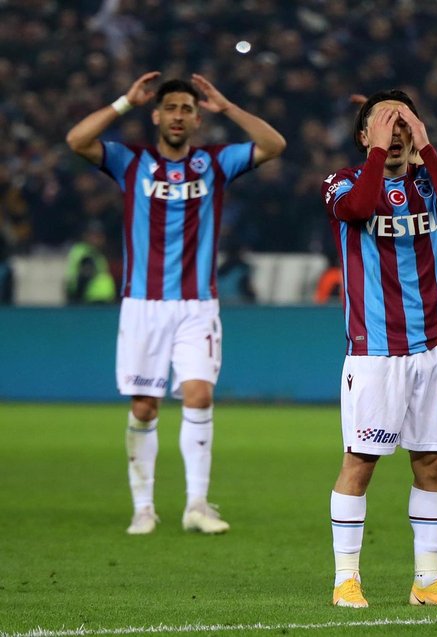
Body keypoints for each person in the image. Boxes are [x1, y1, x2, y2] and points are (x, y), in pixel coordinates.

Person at [66, 71, 286, 535]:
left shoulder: (215, 163)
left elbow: (274, 145)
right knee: (144, 407)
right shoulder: (131, 162)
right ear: (157, 116)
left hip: (197, 304)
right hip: (143, 304)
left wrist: (228, 108)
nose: (179, 116)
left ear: (197, 118)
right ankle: (143, 507)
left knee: (199, 394)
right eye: (171, 108)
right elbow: (76, 140)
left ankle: (197, 505)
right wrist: (124, 102)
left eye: (187, 109)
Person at [321, 89, 437, 609]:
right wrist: (378, 150)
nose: (394, 135)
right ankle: (346, 579)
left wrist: (425, 146)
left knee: (433, 464)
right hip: (374, 353)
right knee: (360, 461)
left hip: (433, 349)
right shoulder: (342, 182)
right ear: (364, 135)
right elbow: (359, 208)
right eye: (384, 125)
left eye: (402, 125)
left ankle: (426, 582)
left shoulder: (432, 179)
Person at [65, 219, 117, 304]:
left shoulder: (94, 252)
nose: (99, 239)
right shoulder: (86, 253)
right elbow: (84, 278)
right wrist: (77, 301)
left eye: (100, 236)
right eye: (94, 236)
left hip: (99, 301)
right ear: (85, 236)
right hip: (92, 301)